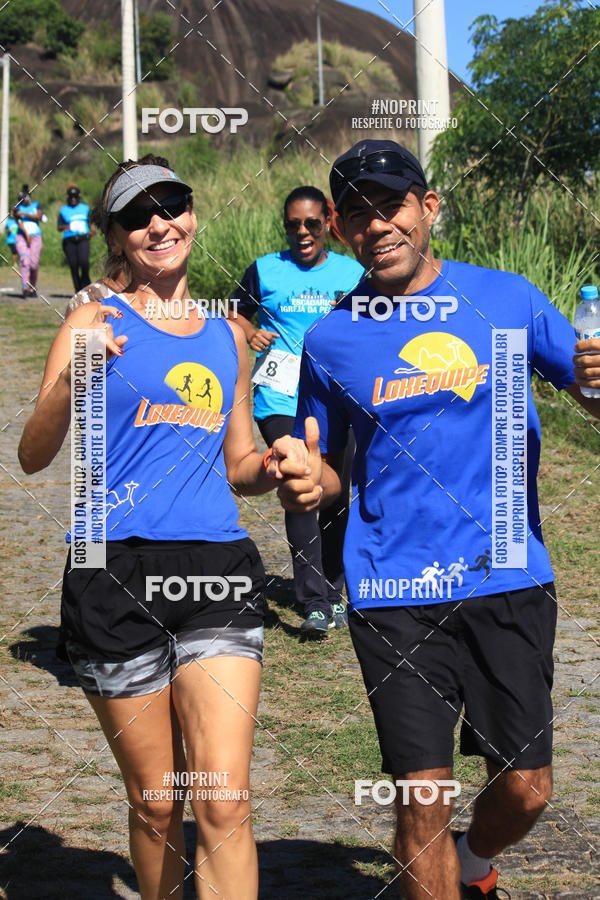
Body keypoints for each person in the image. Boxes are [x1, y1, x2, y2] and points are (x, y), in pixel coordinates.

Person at [279, 139, 600, 899]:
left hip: (507, 575)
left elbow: (587, 391)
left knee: (527, 788)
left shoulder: (507, 299)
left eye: (390, 204)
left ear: (427, 208)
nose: (376, 224)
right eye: (355, 212)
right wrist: (304, 481)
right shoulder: (330, 340)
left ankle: (476, 864)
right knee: (422, 802)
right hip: (393, 590)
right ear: (339, 227)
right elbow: (325, 469)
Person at [18, 154, 308, 900]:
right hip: (112, 569)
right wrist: (77, 374)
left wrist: (271, 466)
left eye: (171, 204)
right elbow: (33, 452)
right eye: (138, 215)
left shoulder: (227, 336)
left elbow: (238, 459)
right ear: (116, 237)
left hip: (217, 568)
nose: (159, 223)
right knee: (155, 803)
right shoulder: (92, 320)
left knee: (223, 798)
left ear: (192, 213)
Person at [229, 185, 363, 637]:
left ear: (328, 222)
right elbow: (233, 312)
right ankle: (313, 600)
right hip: (280, 395)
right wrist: (248, 331)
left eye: (311, 223)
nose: (301, 232)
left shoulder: (352, 272)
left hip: (336, 399)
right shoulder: (265, 270)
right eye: (292, 224)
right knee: (299, 479)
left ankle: (336, 589)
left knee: (335, 492)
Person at [57, 184, 95, 292]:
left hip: (83, 238)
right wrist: (68, 227)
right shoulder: (64, 210)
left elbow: (90, 221)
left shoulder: (85, 208)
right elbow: (59, 227)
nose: (73, 199)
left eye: (75, 197)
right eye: (71, 197)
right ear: (68, 198)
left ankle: (86, 286)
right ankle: (77, 289)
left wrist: (92, 229)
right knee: (73, 265)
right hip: (69, 240)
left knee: (84, 262)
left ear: (78, 197)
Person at [13, 184, 43, 297]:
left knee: (33, 264)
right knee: (25, 261)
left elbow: (39, 216)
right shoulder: (17, 208)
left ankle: (33, 286)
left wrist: (24, 213)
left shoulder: (36, 205)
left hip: (36, 237)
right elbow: (18, 222)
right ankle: (25, 287)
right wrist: (26, 234)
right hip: (22, 236)